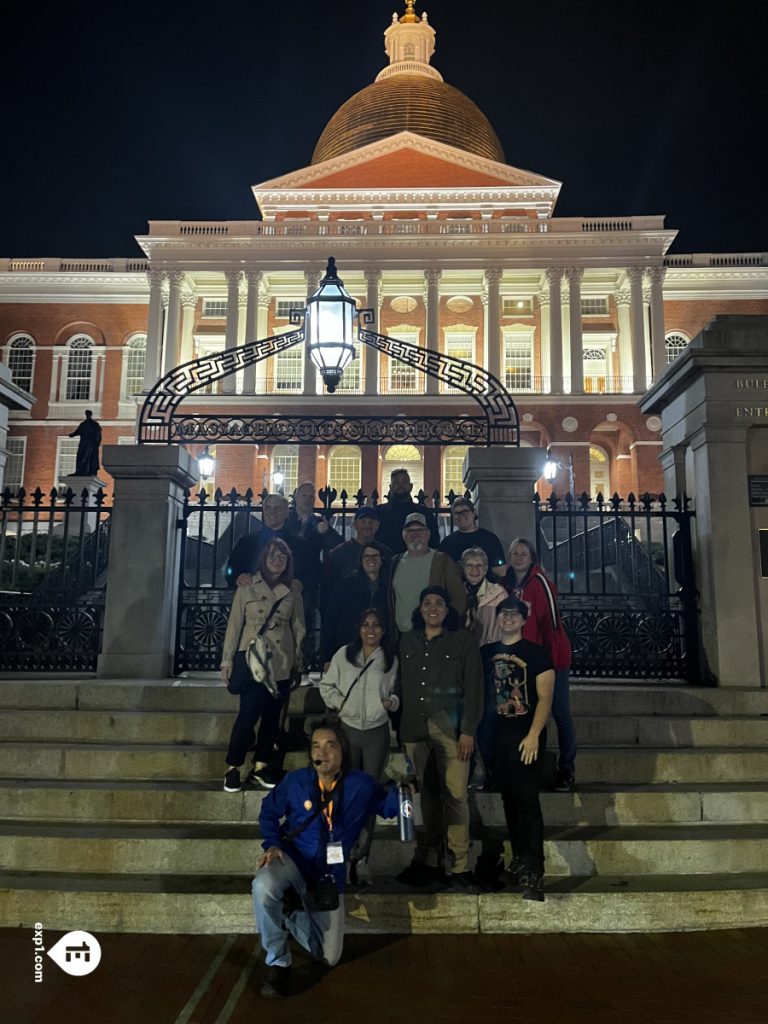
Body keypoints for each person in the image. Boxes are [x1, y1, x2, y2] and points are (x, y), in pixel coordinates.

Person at [253, 719, 401, 998]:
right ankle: (277, 961)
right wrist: (272, 844)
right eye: (316, 746)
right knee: (263, 884)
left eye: (330, 746)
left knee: (330, 957)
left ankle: (288, 913)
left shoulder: (360, 784)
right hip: (293, 861)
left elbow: (387, 806)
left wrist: (401, 792)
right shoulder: (296, 781)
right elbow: (268, 811)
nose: (322, 753)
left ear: (342, 752)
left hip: (328, 875)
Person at [396, 586, 484, 890]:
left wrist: (468, 731)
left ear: (447, 610)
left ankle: (459, 864)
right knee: (428, 796)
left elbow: (474, 687)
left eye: (439, 603)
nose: (432, 608)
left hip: (451, 730)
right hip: (414, 731)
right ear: (420, 609)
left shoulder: (463, 642)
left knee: (456, 796)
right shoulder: (407, 641)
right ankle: (431, 858)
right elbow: (398, 684)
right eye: (427, 603)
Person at [480, 599, 554, 902]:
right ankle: (520, 859)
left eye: (514, 615)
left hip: (525, 737)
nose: (508, 618)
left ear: (524, 620)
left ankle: (534, 870)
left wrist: (534, 734)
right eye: (504, 614)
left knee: (526, 800)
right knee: (509, 799)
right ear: (497, 619)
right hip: (495, 739)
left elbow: (545, 698)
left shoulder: (537, 654)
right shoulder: (486, 652)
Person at [319, 609, 399, 882]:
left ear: (383, 630)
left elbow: (397, 692)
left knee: (368, 795)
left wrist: (390, 704)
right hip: (348, 731)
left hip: (376, 732)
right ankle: (336, 858)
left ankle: (361, 856)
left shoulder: (390, 660)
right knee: (340, 795)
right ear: (358, 628)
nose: (371, 630)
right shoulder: (344, 655)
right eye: (365, 625)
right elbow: (326, 686)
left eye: (376, 625)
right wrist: (342, 705)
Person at [219, 538, 305, 792]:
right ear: (263, 560)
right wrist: (227, 660)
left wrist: (297, 663)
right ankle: (233, 767)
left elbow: (299, 627)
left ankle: (261, 765)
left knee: (272, 718)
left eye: (282, 557)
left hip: (281, 660)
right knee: (248, 716)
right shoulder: (247, 586)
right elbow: (234, 626)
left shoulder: (293, 590)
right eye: (272, 556)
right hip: (254, 659)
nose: (277, 561)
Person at [504, 537, 577, 792]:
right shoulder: (508, 583)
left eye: (524, 552)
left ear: (532, 556)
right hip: (523, 662)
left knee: (560, 712)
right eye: (515, 553)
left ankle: (567, 769)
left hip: (550, 660)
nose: (519, 557)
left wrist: (549, 663)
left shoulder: (541, 583)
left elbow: (552, 627)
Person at [389, 513, 466, 641]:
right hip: (402, 636)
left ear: (428, 534)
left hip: (434, 637)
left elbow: (459, 598)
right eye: (410, 530)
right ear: (404, 535)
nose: (415, 534)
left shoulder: (441, 560)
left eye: (420, 530)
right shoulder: (395, 562)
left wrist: (447, 628)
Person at [320, 541, 391, 667]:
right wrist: (327, 656)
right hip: (348, 651)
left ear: (382, 560)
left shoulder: (389, 588)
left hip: (380, 654)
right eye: (367, 556)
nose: (371, 559)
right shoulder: (345, 586)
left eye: (375, 556)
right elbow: (330, 621)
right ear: (361, 560)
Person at [226, 493, 311, 590]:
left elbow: (311, 572)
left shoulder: (300, 544)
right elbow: (229, 570)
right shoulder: (246, 542)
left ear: (286, 512)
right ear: (263, 510)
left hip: (287, 598)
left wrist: (301, 582)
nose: (272, 511)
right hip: (253, 598)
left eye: (277, 508)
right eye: (268, 507)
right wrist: (237, 577)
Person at [323, 506, 394, 591]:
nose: (367, 525)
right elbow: (329, 587)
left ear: (377, 525)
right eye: (363, 521)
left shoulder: (387, 554)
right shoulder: (339, 553)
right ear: (355, 524)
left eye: (371, 522)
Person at [375, 468, 440, 553]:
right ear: (390, 487)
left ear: (411, 486)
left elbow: (434, 541)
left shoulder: (424, 513)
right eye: (396, 482)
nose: (400, 485)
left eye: (404, 482)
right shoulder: (379, 512)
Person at [439, 497, 506, 578]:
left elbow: (501, 571)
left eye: (465, 512)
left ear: (474, 513)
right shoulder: (447, 543)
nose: (461, 516)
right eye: (457, 513)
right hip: (456, 588)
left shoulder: (489, 539)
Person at [460, 547, 508, 646]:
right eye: (469, 565)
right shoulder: (457, 593)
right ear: (463, 568)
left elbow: (506, 626)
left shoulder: (499, 593)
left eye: (479, 566)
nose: (474, 570)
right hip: (463, 649)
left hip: (491, 648)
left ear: (485, 569)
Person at [68, 410, 102, 476]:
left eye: (88, 414)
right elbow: (77, 431)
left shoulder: (94, 424)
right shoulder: (84, 424)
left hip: (90, 444)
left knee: (88, 457)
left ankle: (88, 471)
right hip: (84, 443)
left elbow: (98, 435)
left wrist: (97, 442)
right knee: (81, 456)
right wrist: (71, 435)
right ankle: (79, 471)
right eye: (87, 414)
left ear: (90, 415)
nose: (87, 415)